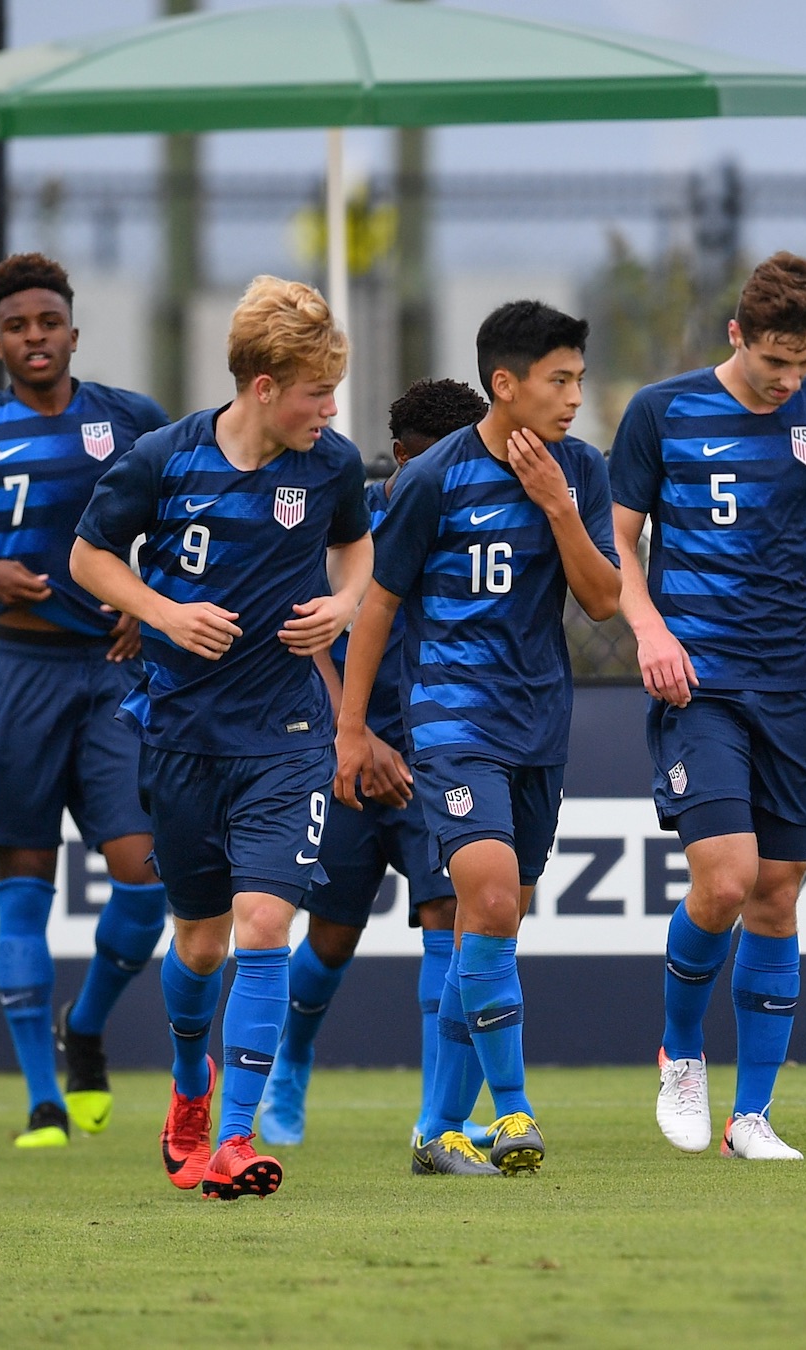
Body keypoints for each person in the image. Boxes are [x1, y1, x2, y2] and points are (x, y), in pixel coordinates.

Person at [70, 276, 371, 1200]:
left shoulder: (330, 464)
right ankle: (190, 1091)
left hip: (286, 737)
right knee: (198, 942)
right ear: (263, 385)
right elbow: (87, 558)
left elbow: (359, 547)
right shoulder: (165, 460)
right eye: (318, 391)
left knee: (265, 924)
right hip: (182, 738)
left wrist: (344, 603)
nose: (330, 409)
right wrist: (163, 611)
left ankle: (235, 1138)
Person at [0, 253, 170, 1149]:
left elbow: (185, 519)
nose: (34, 337)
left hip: (114, 678)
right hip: (20, 675)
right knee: (22, 894)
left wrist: (148, 609)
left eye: (47, 322)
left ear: (72, 332)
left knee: (145, 876)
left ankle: (83, 1024)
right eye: (16, 327)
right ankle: (42, 1098)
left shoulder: (129, 420)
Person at [336, 300, 622, 1177]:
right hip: (453, 721)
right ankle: (516, 1111)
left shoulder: (580, 471)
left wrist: (560, 509)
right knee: (489, 899)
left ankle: (435, 1130)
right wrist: (353, 728)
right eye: (559, 380)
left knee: (491, 929)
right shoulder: (433, 479)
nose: (575, 396)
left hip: (540, 724)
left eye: (579, 378)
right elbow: (378, 603)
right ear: (507, 384)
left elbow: (605, 601)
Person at [610, 252, 806, 1162]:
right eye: (772, 366)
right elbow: (618, 544)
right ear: (736, 335)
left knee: (779, 893)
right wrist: (648, 630)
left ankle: (749, 1117)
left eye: (802, 364)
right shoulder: (662, 410)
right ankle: (681, 1052)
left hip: (792, 682)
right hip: (698, 684)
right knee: (725, 879)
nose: (788, 383)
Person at [254, 378, 495, 1152]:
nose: (453, 473)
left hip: (440, 755)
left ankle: (437, 1117)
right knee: (329, 936)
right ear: (400, 457)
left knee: (448, 919)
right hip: (348, 758)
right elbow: (309, 635)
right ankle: (288, 1067)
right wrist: (344, 738)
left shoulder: (479, 517)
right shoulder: (350, 519)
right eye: (436, 458)